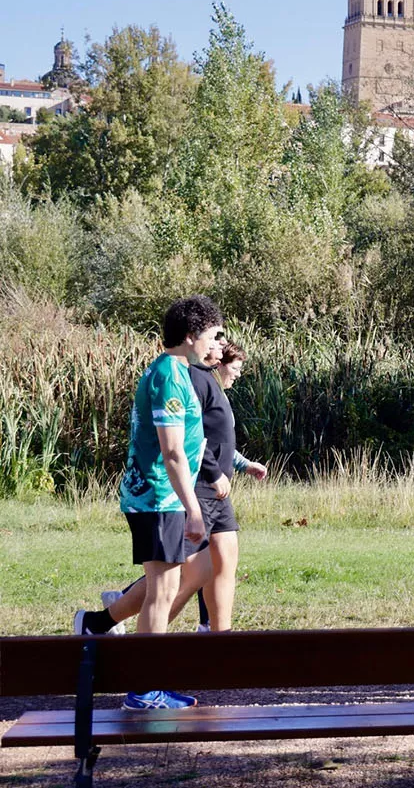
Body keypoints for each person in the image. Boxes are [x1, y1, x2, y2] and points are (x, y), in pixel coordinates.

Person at [72, 296, 222, 711]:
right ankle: (142, 690)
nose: (215, 342)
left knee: (173, 581)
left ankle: (129, 658)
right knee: (163, 590)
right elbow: (172, 452)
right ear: (191, 336)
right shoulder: (170, 377)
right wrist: (192, 506)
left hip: (164, 497)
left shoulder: (173, 371)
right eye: (211, 334)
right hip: (160, 497)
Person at [100, 342, 269, 633]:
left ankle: (216, 633)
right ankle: (110, 620)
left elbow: (218, 441)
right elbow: (187, 441)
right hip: (190, 489)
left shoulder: (211, 386)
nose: (239, 374)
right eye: (215, 339)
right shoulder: (186, 378)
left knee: (216, 564)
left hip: (214, 492)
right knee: (177, 578)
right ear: (216, 360)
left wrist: (242, 464)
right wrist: (214, 474)